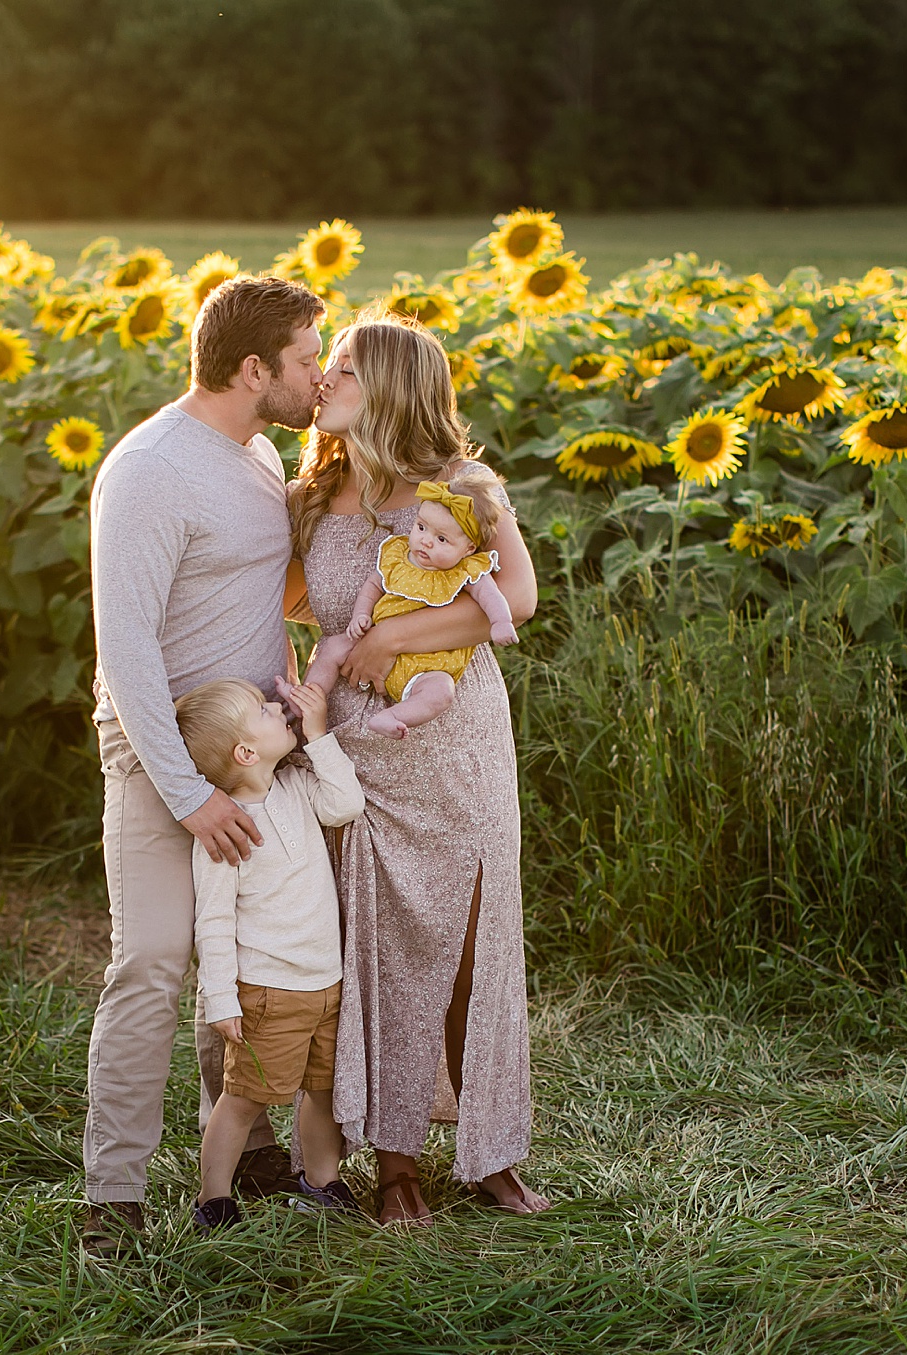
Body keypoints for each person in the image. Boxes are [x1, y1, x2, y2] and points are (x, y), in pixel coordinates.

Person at [286, 313, 552, 1224]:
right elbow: (267, 597)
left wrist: (394, 632)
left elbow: (514, 597)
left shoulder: (463, 484)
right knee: (386, 954)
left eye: (346, 369)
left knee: (475, 949)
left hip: (453, 734)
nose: (324, 379)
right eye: (325, 366)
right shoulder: (315, 497)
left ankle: (489, 1148)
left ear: (395, 386)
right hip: (358, 753)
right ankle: (395, 1162)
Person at [82, 276, 327, 1252]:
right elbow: (127, 645)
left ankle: (248, 1144)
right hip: (161, 756)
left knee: (254, 950)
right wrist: (185, 794)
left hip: (255, 753)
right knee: (151, 958)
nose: (317, 375)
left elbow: (270, 591)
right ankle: (111, 1200)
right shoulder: (148, 469)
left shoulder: (259, 451)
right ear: (253, 367)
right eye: (307, 359)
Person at [177, 677, 365, 1230]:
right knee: (244, 1097)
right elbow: (212, 923)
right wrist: (221, 999)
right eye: (263, 710)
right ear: (245, 752)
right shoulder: (225, 831)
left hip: (326, 981)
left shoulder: (297, 786)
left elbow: (346, 804)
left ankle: (321, 1180)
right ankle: (214, 1197)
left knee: (323, 1089)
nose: (277, 707)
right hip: (266, 991)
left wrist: (319, 733)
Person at [301, 466, 519, 738]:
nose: (426, 542)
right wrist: (361, 615)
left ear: (469, 549)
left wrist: (500, 621)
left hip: (429, 665)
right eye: (421, 527)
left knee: (441, 691)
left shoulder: (466, 571)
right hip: (368, 643)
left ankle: (393, 716)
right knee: (333, 647)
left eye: (441, 539)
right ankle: (308, 697)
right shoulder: (399, 556)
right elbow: (373, 585)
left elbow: (491, 597)